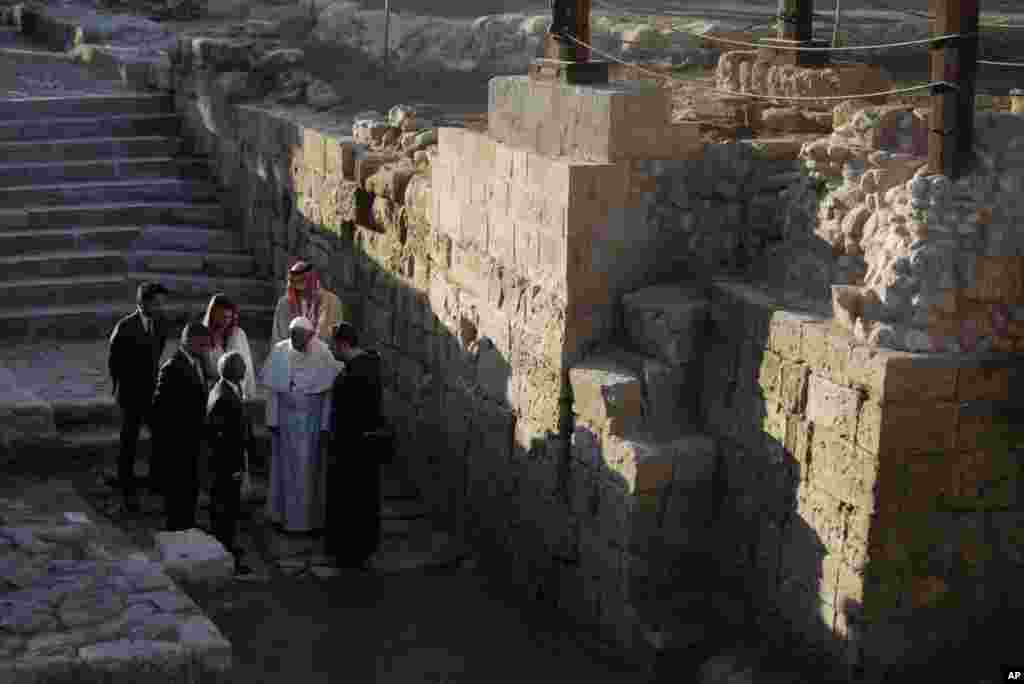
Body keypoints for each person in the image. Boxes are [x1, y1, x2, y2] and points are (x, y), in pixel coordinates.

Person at [259, 316, 343, 534]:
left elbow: (327, 396)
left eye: (301, 339)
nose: (297, 343)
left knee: (309, 475)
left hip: (312, 426)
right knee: (285, 473)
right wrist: (272, 420)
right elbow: (273, 392)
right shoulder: (280, 350)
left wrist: (325, 426)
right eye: (293, 337)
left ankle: (309, 522)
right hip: (286, 425)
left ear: (311, 336)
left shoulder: (323, 353)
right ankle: (283, 518)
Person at [326, 322, 385, 569]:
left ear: (343, 344)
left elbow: (350, 415)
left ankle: (351, 551)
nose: (332, 350)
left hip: (352, 449)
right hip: (364, 447)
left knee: (352, 501)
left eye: (334, 346)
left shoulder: (355, 373)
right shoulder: (368, 367)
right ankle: (361, 548)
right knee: (365, 499)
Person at [107, 281, 170, 514]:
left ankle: (156, 480)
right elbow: (115, 362)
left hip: (152, 390)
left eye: (162, 303)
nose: (161, 307)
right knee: (129, 441)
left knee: (161, 433)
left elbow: (158, 351)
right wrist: (121, 389)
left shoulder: (161, 323)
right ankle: (126, 487)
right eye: (156, 303)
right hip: (131, 393)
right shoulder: (125, 327)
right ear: (142, 303)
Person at [152, 321, 213, 532]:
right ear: (191, 342)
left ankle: (187, 528)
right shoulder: (171, 368)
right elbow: (159, 412)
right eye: (204, 344)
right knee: (177, 498)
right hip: (178, 447)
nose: (207, 349)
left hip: (193, 443)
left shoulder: (196, 365)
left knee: (190, 493)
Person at [206, 351, 253, 576]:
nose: (245, 368)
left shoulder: (231, 389)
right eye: (241, 365)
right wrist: (234, 468)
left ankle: (229, 547)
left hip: (231, 463)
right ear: (232, 371)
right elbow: (220, 437)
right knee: (224, 511)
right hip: (225, 467)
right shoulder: (223, 396)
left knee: (230, 511)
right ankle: (224, 554)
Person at [271, 260, 348, 344]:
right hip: (290, 355)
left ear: (313, 279)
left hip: (321, 355)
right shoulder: (284, 304)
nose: (301, 288)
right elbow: (278, 339)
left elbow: (335, 339)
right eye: (295, 282)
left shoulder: (333, 302)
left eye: (304, 281)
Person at [202, 293, 257, 399]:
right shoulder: (204, 336)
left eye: (228, 317)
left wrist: (250, 396)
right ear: (212, 315)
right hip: (214, 395)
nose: (225, 321)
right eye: (221, 317)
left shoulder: (238, 334)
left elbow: (248, 370)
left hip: (239, 394)